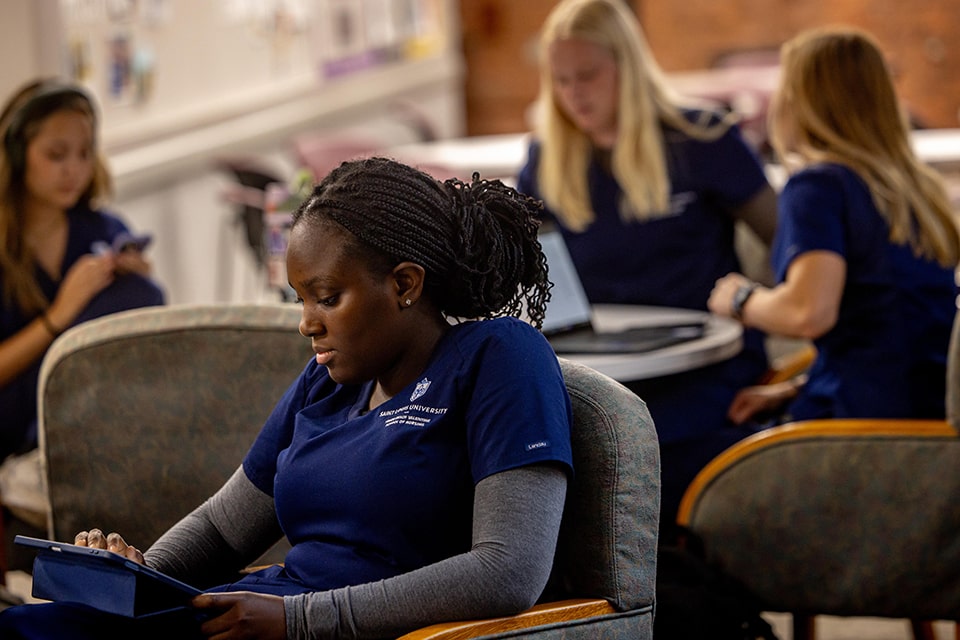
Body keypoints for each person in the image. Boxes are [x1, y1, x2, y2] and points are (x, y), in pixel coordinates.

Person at [0, 157, 574, 639]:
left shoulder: (499, 355)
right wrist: (137, 575)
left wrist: (301, 620)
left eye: (326, 297)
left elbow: (509, 570)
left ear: (404, 284)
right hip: (255, 613)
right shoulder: (328, 379)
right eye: (299, 299)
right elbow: (223, 530)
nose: (307, 324)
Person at [515, 0, 778, 539]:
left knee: (632, 454)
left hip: (704, 367)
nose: (573, 93)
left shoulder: (702, 138)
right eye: (560, 80)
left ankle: (679, 601)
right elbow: (518, 268)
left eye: (587, 75)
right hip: (600, 370)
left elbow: (792, 247)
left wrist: (757, 306)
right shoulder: (547, 156)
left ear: (627, 66)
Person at [708, 27, 960, 425]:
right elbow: (892, 328)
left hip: (864, 427)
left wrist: (740, 300)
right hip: (932, 416)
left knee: (697, 445)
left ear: (798, 99)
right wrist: (796, 387)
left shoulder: (817, 186)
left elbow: (809, 313)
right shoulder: (918, 189)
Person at [0, 78, 164, 536]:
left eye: (84, 153)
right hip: (15, 426)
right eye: (56, 155)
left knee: (143, 298)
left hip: (92, 425)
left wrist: (139, 285)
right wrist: (59, 315)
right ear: (15, 157)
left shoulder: (102, 228)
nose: (73, 169)